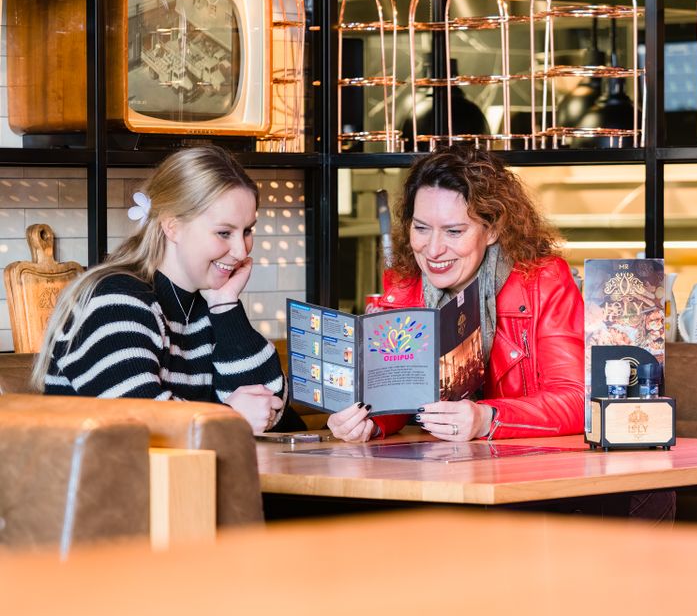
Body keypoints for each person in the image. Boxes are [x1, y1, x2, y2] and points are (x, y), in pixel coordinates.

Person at [327, 145, 584, 442]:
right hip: (437, 471)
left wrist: (487, 418)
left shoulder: (544, 280)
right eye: (421, 228)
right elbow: (399, 388)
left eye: (454, 232)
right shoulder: (404, 284)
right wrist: (367, 422)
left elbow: (577, 400)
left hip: (526, 472)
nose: (433, 249)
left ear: (492, 229)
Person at [32, 146, 287, 435]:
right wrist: (230, 418)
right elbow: (138, 421)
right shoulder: (115, 300)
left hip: (178, 478)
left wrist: (226, 307)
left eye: (248, 231)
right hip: (101, 479)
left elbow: (271, 408)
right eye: (224, 233)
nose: (241, 250)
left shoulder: (207, 303)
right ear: (172, 226)